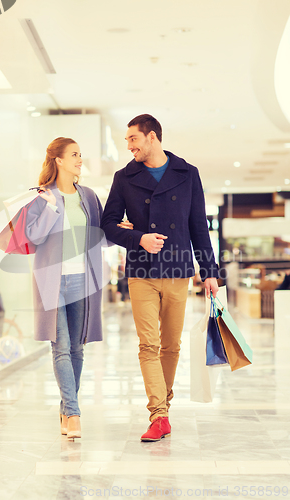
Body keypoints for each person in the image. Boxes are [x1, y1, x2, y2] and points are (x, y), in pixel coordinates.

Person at [100, 115, 219, 442]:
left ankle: (162, 406)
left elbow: (199, 227)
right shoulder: (124, 177)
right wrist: (139, 238)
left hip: (179, 270)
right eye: (127, 141)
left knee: (171, 345)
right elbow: (108, 223)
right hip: (142, 271)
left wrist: (209, 272)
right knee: (148, 344)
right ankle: (159, 414)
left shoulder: (187, 173)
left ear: (152, 137)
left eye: (133, 139)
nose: (129, 146)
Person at [25, 137, 130, 439]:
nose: (79, 160)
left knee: (77, 347)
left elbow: (101, 235)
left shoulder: (88, 195)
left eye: (80, 155)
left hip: (84, 280)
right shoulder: (42, 197)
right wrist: (48, 209)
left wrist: (120, 230)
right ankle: (73, 413)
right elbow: (34, 237)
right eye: (74, 155)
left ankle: (65, 407)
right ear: (58, 160)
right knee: (60, 346)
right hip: (52, 280)